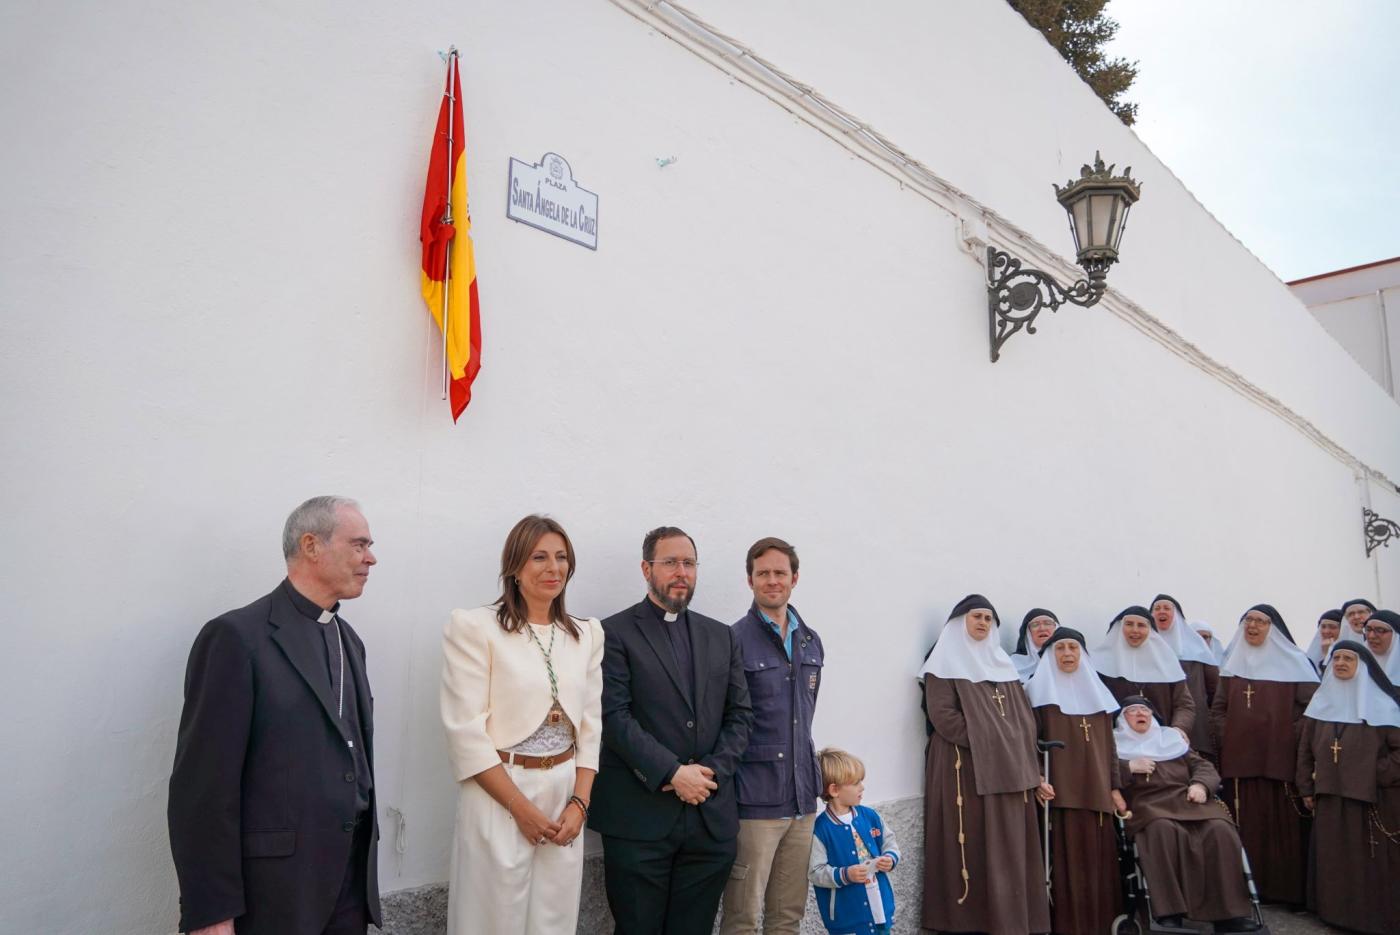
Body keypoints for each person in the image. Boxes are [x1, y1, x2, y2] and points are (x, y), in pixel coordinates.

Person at [168, 496, 382, 935]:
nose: (370, 558)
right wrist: (211, 913)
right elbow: (203, 790)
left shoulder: (350, 641)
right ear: (311, 545)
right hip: (273, 894)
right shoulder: (236, 638)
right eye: (359, 545)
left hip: (348, 888)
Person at [439, 515, 604, 934]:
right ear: (514, 565)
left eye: (562, 557)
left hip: (565, 793)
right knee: (492, 918)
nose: (554, 568)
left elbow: (590, 728)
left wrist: (580, 804)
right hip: (500, 792)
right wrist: (520, 808)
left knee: (554, 919)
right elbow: (465, 733)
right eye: (539, 557)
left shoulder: (586, 634)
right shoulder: (476, 627)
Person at [590, 526, 754, 935]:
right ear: (647, 568)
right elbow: (613, 716)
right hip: (639, 820)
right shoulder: (613, 633)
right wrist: (672, 773)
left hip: (709, 820)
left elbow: (741, 715)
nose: (681, 572)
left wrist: (709, 773)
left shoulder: (722, 635)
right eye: (670, 563)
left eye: (689, 563)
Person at [919, 594, 1051, 935]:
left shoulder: (1003, 668)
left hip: (1010, 770)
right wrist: (998, 742)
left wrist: (1027, 765)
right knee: (974, 845)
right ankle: (970, 923)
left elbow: (1022, 722)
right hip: (964, 767)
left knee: (1010, 848)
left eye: (988, 618)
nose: (982, 622)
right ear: (959, 623)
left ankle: (1012, 921)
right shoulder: (943, 665)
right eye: (976, 616)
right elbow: (944, 718)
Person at [721, 537, 823, 935]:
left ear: (794, 578)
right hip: (755, 801)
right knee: (743, 917)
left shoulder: (811, 641)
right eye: (763, 573)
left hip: (802, 800)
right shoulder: (732, 640)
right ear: (750, 581)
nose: (772, 580)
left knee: (788, 916)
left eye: (780, 573)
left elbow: (804, 718)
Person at [1208, 604, 1318, 908]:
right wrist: (1231, 732)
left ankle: (1285, 892)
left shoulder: (1296, 664)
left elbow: (1311, 711)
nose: (1253, 626)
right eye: (1248, 621)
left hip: (1280, 758)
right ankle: (1248, 890)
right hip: (1241, 759)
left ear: (1275, 628)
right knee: (1247, 822)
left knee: (1282, 825)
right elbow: (1218, 709)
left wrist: (1285, 735)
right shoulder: (1233, 663)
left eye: (1261, 621)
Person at [1115, 697, 1258, 931]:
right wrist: (1128, 767)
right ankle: (1170, 913)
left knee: (1220, 829)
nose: (1140, 713)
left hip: (1189, 800)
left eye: (1145, 709)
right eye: (1132, 710)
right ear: (1123, 719)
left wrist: (1201, 785)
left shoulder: (1172, 741)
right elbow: (1105, 776)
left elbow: (1204, 767)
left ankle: (1230, 914)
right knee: (1161, 830)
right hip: (1149, 806)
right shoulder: (1115, 745)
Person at [1025, 627, 1125, 935]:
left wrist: (1114, 787)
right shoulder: (1036, 694)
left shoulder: (1098, 694)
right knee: (1064, 864)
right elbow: (1027, 742)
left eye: (1073, 647)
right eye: (1060, 648)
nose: (1067, 653)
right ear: (1049, 656)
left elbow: (1110, 747)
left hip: (1097, 795)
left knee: (1099, 863)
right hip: (1059, 795)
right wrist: (1036, 778)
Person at [1297, 640, 1400, 934]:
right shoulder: (1321, 704)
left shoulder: (1383, 707)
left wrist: (1373, 773)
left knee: (1366, 859)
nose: (1340, 663)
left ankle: (1367, 916)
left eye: (1348, 658)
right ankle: (1335, 913)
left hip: (1370, 798)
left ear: (1362, 667)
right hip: (1329, 795)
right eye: (1336, 658)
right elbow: (1305, 750)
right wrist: (1305, 787)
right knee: (1334, 855)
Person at [808, 748, 901, 935]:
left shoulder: (870, 816)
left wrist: (890, 858)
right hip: (847, 917)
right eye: (856, 782)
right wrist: (846, 875)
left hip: (880, 908)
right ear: (834, 790)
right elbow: (815, 872)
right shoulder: (820, 829)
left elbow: (890, 843)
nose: (862, 787)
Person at [1095, 606, 1194, 740]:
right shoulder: (1100, 665)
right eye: (1129, 624)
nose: (1135, 630)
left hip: (1162, 740)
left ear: (1150, 630)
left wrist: (1179, 728)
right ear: (1119, 628)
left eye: (1141, 625)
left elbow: (1184, 704)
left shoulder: (1167, 663)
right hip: (1117, 743)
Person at [1149, 594, 1219, 756]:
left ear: (1177, 616)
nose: (1161, 612)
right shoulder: (1146, 648)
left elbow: (1214, 689)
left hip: (1195, 720)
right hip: (1158, 715)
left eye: (1167, 608)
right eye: (1157, 609)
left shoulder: (1197, 647)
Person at [1008, 608, 1059, 683]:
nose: (1042, 628)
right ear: (1028, 633)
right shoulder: (1012, 665)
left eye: (1047, 623)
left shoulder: (1071, 658)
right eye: (1035, 625)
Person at [1363, 609, 1400, 681]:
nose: (1371, 636)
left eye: (1380, 630)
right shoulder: (1356, 665)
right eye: (1368, 629)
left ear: (1396, 636)